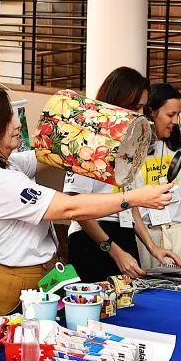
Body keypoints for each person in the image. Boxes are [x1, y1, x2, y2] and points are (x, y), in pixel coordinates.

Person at [0, 88, 172, 316]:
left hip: (30, 279)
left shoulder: (7, 164)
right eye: (8, 118)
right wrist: (132, 198)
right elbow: (70, 207)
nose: (18, 124)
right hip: (6, 289)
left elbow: (51, 154)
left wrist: (88, 129)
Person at [65, 67, 151, 282]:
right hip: (92, 238)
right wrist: (113, 250)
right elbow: (77, 206)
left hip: (124, 232)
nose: (139, 115)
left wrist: (153, 247)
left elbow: (132, 205)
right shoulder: (87, 141)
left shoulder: (130, 145)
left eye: (142, 108)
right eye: (136, 107)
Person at [130, 83, 181, 269]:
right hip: (146, 234)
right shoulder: (134, 148)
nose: (175, 121)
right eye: (170, 115)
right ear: (152, 112)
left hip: (178, 232)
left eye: (178, 115)